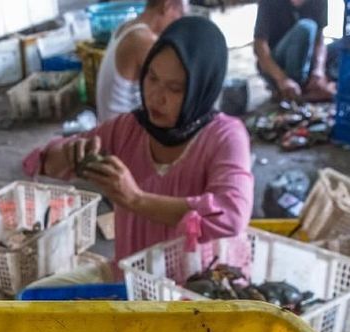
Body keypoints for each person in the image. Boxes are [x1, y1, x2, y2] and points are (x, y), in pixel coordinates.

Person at [24, 16, 253, 271]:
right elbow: (40, 162)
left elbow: (231, 215)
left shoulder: (226, 137)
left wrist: (136, 199)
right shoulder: (128, 128)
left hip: (198, 292)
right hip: (133, 283)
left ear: (202, 88)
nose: (156, 96)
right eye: (152, 78)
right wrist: (67, 154)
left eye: (174, 88)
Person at [95, 0, 185, 123]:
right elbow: (180, 83)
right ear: (167, 5)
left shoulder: (126, 26)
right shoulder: (143, 40)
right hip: (121, 134)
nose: (179, 22)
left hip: (108, 126)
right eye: (181, 14)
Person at [254, 0, 336, 103]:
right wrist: (282, 79)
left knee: (344, 45)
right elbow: (260, 47)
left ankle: (314, 85)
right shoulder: (268, 2)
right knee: (306, 27)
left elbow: (319, 40)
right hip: (278, 66)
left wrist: (319, 70)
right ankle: (298, 90)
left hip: (306, 59)